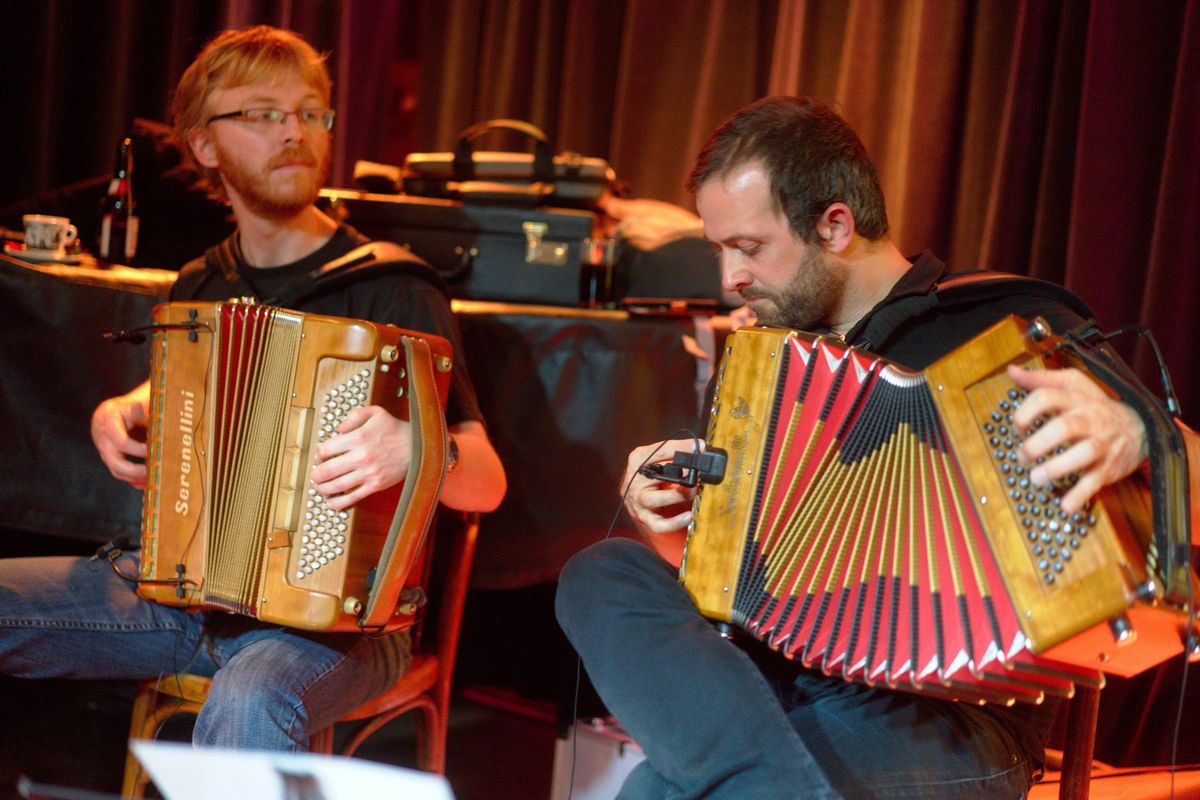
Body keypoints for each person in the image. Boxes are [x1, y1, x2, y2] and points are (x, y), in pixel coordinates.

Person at [555, 96, 1176, 798]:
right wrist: (667, 510)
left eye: (748, 248)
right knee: (599, 574)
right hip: (766, 688)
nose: (728, 277)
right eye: (720, 250)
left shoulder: (1003, 324)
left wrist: (1138, 434)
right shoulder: (765, 368)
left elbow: (1180, 470)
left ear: (835, 225)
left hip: (945, 717)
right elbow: (729, 588)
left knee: (655, 795)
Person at [0, 26, 505, 753]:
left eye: (310, 112)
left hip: (342, 627)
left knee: (252, 693)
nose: (294, 132)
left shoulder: (392, 286)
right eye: (263, 114)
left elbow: (486, 482)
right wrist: (125, 408)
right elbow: (187, 390)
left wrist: (419, 447)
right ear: (204, 145)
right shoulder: (202, 282)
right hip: (183, 601)